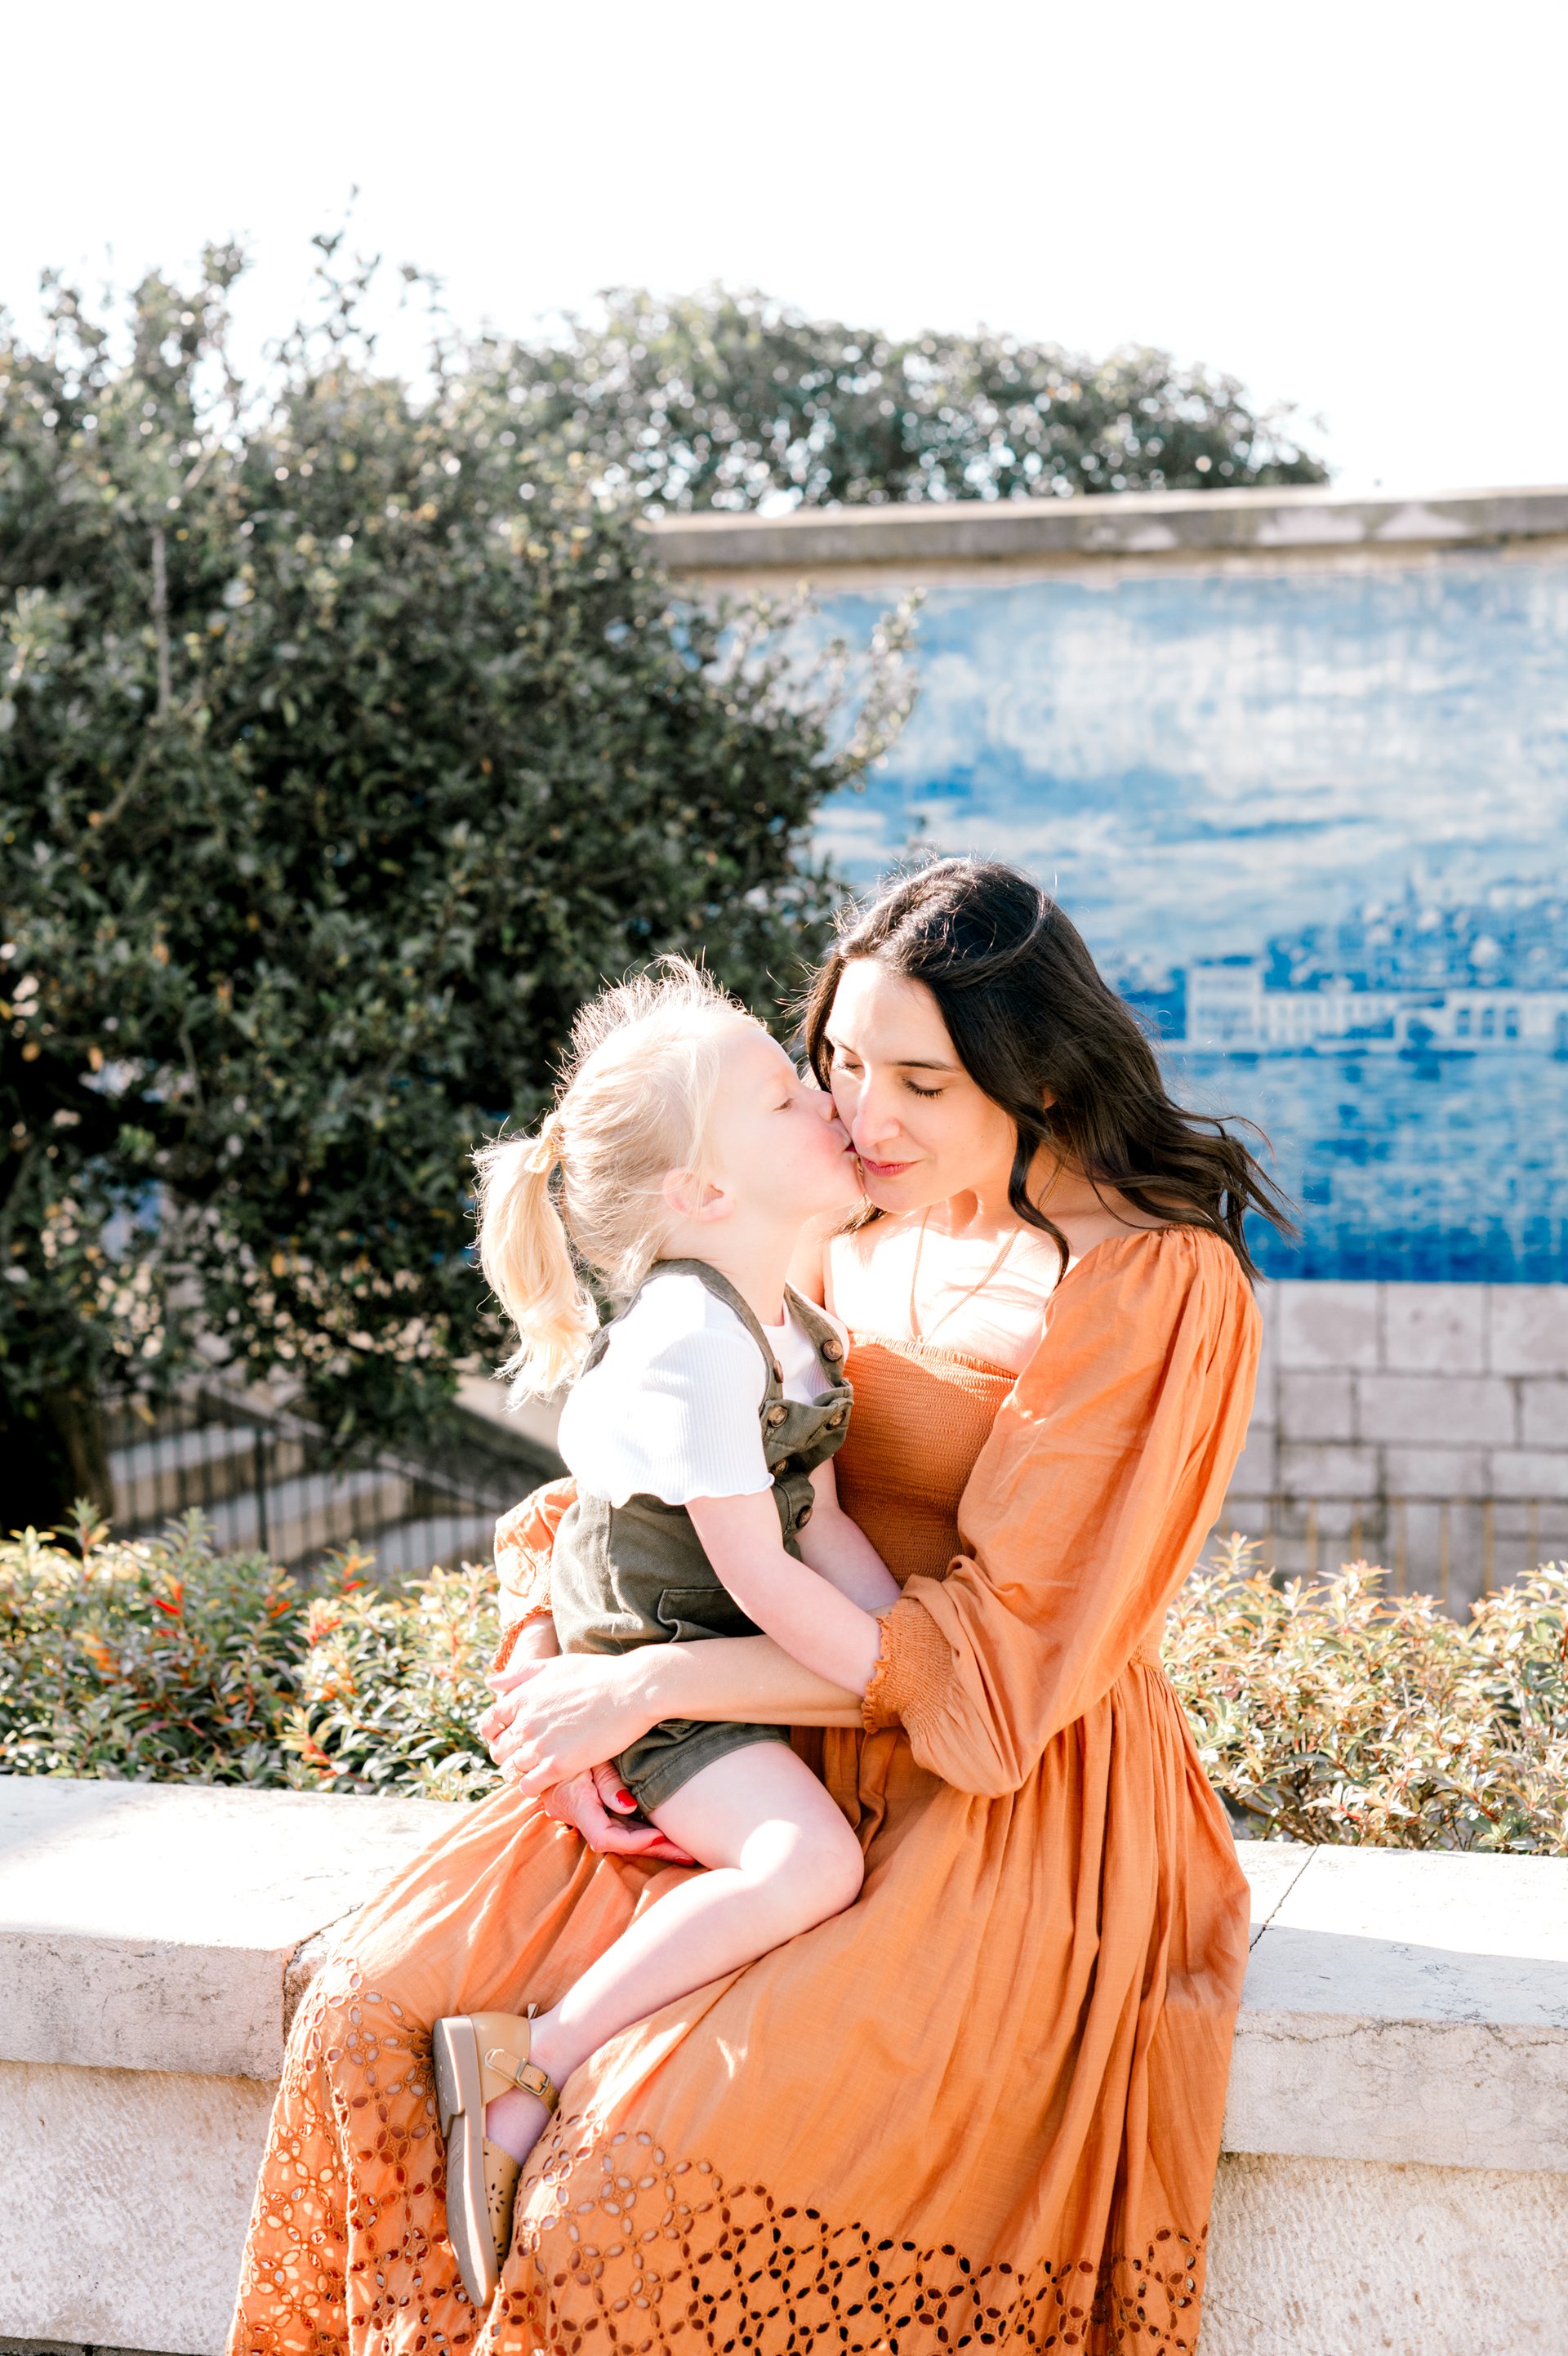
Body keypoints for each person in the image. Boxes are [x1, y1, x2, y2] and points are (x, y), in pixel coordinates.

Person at [230, 857, 1288, 2356]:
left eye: (922, 1081)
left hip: (993, 1792)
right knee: (364, 2011)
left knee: (622, 2186)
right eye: (841, 1061)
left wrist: (650, 1689)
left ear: (1038, 1074)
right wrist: (557, 1675)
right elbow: (648, 1476)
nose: (865, 1112)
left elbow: (997, 1681)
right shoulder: (839, 1213)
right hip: (738, 1730)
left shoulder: (1152, 1281)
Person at [437, 962, 899, 2304]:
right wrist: (894, 1676)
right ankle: (530, 2057)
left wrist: (914, 1642)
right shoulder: (696, 1335)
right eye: (783, 1096)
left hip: (718, 1627)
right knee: (810, 1861)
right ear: (704, 1192)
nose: (823, 1096)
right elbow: (758, 1573)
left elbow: (817, 1520)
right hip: (656, 1642)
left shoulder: (786, 1311)